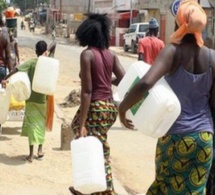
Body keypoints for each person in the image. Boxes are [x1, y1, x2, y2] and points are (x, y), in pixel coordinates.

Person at [119, 0, 214, 194]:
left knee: (165, 187)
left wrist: (123, 107)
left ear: (179, 23)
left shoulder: (172, 51)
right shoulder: (212, 56)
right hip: (204, 137)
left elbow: (146, 83)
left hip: (175, 136)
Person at [68, 13, 125, 195]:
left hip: (96, 107)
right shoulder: (112, 55)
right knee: (95, 144)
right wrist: (108, 82)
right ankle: (86, 186)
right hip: (109, 108)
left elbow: (87, 91)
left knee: (94, 146)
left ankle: (102, 190)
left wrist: (83, 123)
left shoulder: (87, 55)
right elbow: (124, 78)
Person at [1, 40, 57, 163]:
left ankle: (31, 154)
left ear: (35, 51)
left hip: (31, 99)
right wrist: (47, 52)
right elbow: (55, 44)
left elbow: (16, 70)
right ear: (45, 51)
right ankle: (40, 150)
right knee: (40, 126)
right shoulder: (48, 62)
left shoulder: (31, 62)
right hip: (43, 100)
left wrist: (5, 78)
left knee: (32, 126)